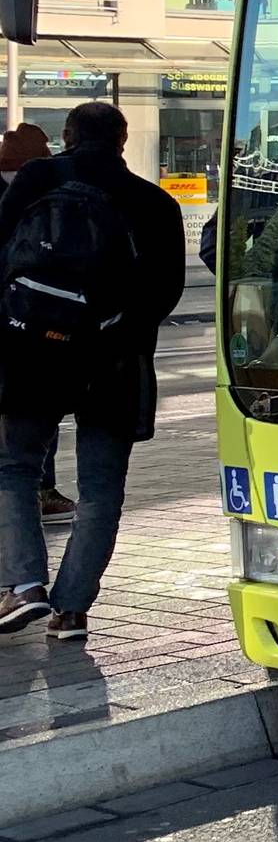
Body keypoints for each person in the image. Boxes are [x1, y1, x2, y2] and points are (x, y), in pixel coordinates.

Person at [0, 103, 186, 640]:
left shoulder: (39, 178)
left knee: (14, 468)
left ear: (67, 137)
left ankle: (24, 586)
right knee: (101, 490)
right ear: (123, 142)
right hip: (114, 361)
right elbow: (165, 293)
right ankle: (72, 609)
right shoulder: (153, 202)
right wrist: (110, 331)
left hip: (31, 353)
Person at [0, 125, 72, 529]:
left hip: (16, 316)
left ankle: (40, 489)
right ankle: (42, 490)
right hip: (36, 319)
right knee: (38, 409)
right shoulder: (44, 190)